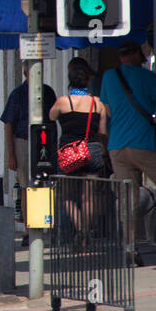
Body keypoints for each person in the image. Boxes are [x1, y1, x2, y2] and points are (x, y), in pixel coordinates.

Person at [98, 41, 156, 265]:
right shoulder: (148, 77)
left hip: (116, 146)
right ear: (138, 55)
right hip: (142, 142)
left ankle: (130, 249)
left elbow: (107, 109)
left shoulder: (109, 77)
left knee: (127, 197)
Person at [49, 58, 109, 242]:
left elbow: (50, 117)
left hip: (69, 152)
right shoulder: (98, 103)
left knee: (67, 196)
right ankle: (86, 231)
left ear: (70, 80)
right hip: (93, 150)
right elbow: (103, 132)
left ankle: (80, 228)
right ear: (88, 80)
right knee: (89, 197)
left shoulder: (62, 102)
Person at [0, 62, 58, 229]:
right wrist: (10, 154)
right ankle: (29, 227)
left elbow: (53, 119)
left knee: (44, 182)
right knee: (27, 186)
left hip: (44, 143)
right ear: (26, 74)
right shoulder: (17, 94)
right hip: (23, 141)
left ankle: (43, 223)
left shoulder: (47, 92)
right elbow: (9, 124)